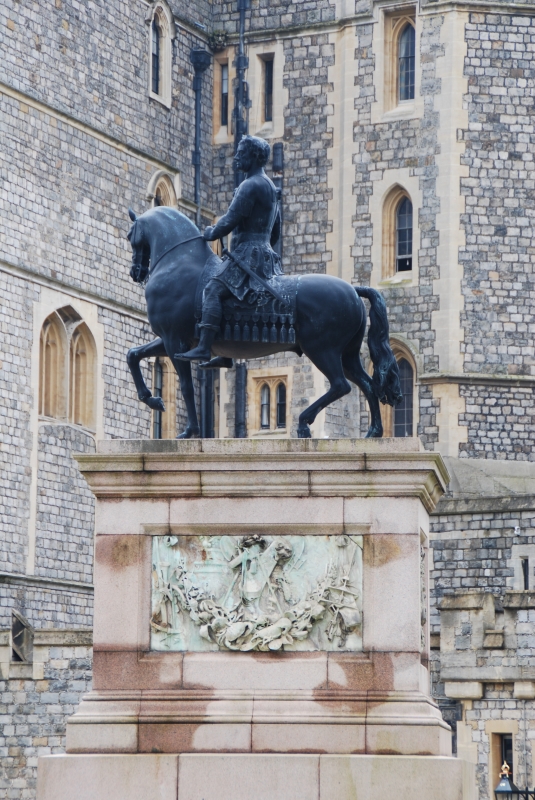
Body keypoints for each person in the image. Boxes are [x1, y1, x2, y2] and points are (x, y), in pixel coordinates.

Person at [175, 135, 282, 364]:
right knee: (230, 294)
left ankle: (204, 347)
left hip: (248, 255)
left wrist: (211, 233)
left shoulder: (250, 185)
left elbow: (230, 219)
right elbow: (276, 233)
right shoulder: (271, 188)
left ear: (253, 157)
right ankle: (226, 353)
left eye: (241, 153)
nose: (236, 157)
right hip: (265, 255)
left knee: (213, 290)